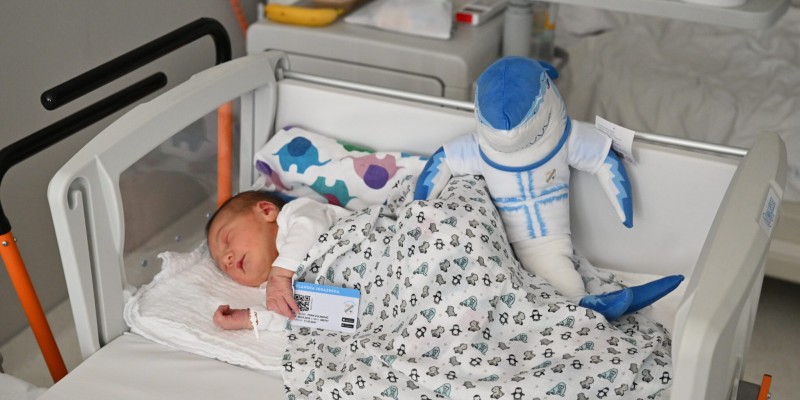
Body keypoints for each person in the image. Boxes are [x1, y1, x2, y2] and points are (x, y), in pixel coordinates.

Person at [205, 190, 351, 334]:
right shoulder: (276, 288)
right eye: (223, 267)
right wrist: (249, 318)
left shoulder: (294, 213)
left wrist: (281, 274)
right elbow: (297, 314)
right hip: (358, 304)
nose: (226, 259)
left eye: (227, 239)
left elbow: (311, 226)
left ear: (266, 210)